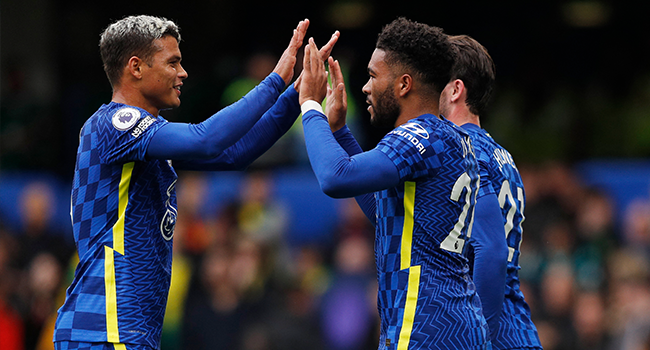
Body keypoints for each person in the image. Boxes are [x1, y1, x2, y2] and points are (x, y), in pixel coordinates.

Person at [53, 15, 339, 350]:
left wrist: (299, 95)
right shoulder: (114, 123)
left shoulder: (146, 141)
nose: (183, 73)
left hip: (124, 331)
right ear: (136, 68)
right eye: (172, 63)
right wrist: (275, 80)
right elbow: (207, 140)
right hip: (102, 329)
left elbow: (235, 154)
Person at [299, 17, 490, 349]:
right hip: (452, 324)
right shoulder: (452, 139)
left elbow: (334, 177)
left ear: (403, 84)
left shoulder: (418, 136)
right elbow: (384, 213)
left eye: (373, 76)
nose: (365, 87)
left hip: (425, 327)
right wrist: (341, 134)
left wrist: (310, 105)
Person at [438, 34, 542, 350]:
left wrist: (478, 339)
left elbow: (491, 251)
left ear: (455, 89)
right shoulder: (502, 155)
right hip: (517, 325)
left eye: (435, 79)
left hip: (494, 331)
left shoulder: (462, 149)